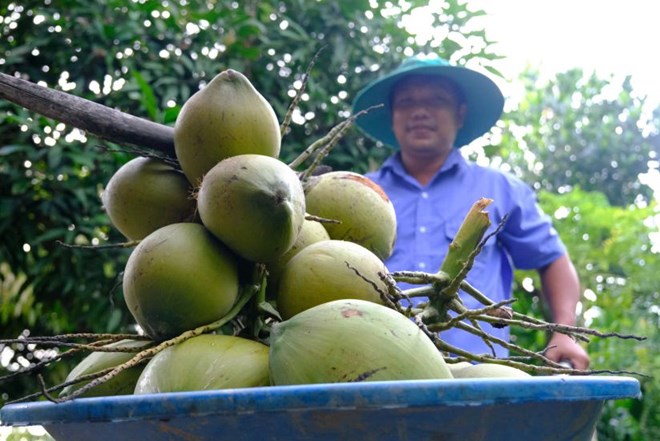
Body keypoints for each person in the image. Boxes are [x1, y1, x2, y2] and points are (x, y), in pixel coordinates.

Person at [352, 54, 590, 370]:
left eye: (436, 100)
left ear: (460, 114)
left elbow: (552, 259)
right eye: (406, 102)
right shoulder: (357, 193)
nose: (420, 112)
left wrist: (564, 331)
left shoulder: (501, 190)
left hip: (479, 379)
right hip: (376, 372)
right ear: (393, 116)